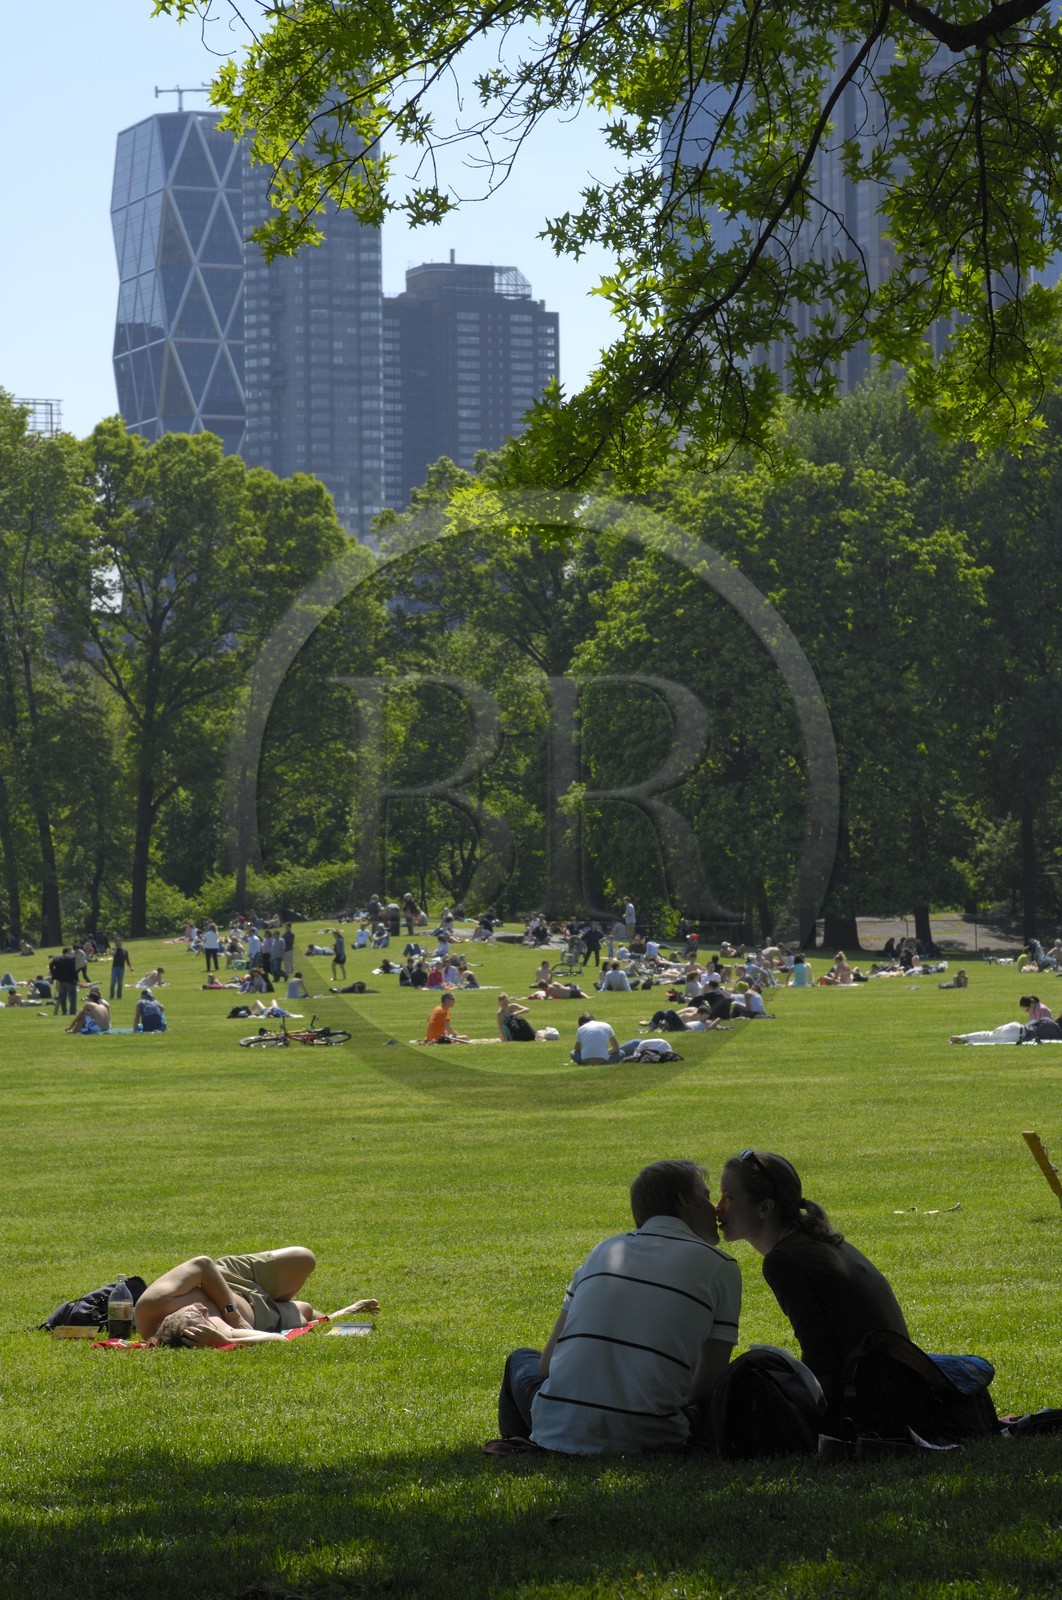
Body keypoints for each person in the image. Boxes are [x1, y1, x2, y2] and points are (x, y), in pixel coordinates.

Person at [497, 1159, 741, 1452]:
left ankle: (525, 1443)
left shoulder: (602, 1251)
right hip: (651, 1435)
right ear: (684, 1200)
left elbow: (547, 1365)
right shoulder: (721, 1266)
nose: (715, 1208)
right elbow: (707, 1383)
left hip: (558, 1427)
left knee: (521, 1359)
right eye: (706, 1195)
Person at [715, 1150, 908, 1399]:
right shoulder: (814, 1242)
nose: (718, 1207)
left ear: (765, 1208)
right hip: (899, 1384)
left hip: (875, 1398)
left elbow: (821, 1358)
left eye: (729, 1197)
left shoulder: (784, 1260)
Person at [134, 1248, 379, 1347]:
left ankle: (282, 1301)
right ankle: (337, 1315)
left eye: (192, 1312)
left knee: (304, 1258)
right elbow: (279, 1340)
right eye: (204, 1318)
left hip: (226, 1278)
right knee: (304, 1311)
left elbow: (202, 1264)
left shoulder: (150, 1307)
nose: (204, 1311)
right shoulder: (210, 1331)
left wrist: (233, 1314)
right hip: (259, 1313)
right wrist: (223, 1340)